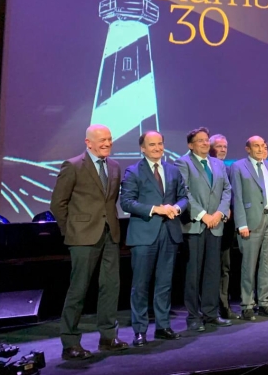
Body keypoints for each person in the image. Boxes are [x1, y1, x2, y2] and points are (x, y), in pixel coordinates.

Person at [50, 124, 127, 360]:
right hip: (82, 237)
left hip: (110, 235)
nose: (107, 143)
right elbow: (57, 204)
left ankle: (107, 337)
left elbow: (110, 202)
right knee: (79, 290)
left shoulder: (114, 166)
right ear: (88, 143)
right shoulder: (72, 166)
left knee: (110, 287)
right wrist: (70, 231)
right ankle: (70, 343)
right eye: (102, 140)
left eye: (110, 139)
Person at [120, 131, 189, 346]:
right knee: (140, 286)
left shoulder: (172, 170)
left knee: (164, 284)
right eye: (152, 145)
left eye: (160, 144)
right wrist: (156, 209)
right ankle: (139, 331)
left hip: (169, 233)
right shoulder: (133, 171)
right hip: (143, 235)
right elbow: (127, 202)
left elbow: (184, 196)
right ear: (142, 148)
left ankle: (163, 326)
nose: (158, 148)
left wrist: (177, 208)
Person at [175, 127, 233, 331]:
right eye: (200, 140)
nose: (205, 143)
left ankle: (210, 314)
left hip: (216, 224)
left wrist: (219, 213)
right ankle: (193, 317)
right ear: (191, 145)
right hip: (195, 225)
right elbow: (184, 192)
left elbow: (227, 190)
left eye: (206, 140)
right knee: (193, 274)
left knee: (212, 272)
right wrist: (203, 215)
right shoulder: (183, 162)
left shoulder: (217, 163)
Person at [230, 136, 268, 320]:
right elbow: (238, 197)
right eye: (256, 146)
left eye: (263, 146)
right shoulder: (238, 167)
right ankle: (247, 305)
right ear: (247, 149)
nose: (260, 149)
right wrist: (241, 223)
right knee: (248, 266)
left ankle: (264, 303)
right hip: (250, 223)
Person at [208, 134, 240, 319]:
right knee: (210, 268)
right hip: (209, 223)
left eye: (224, 146)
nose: (222, 149)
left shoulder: (228, 169)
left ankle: (224, 305)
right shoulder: (206, 169)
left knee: (224, 267)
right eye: (218, 146)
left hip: (226, 226)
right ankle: (210, 307)